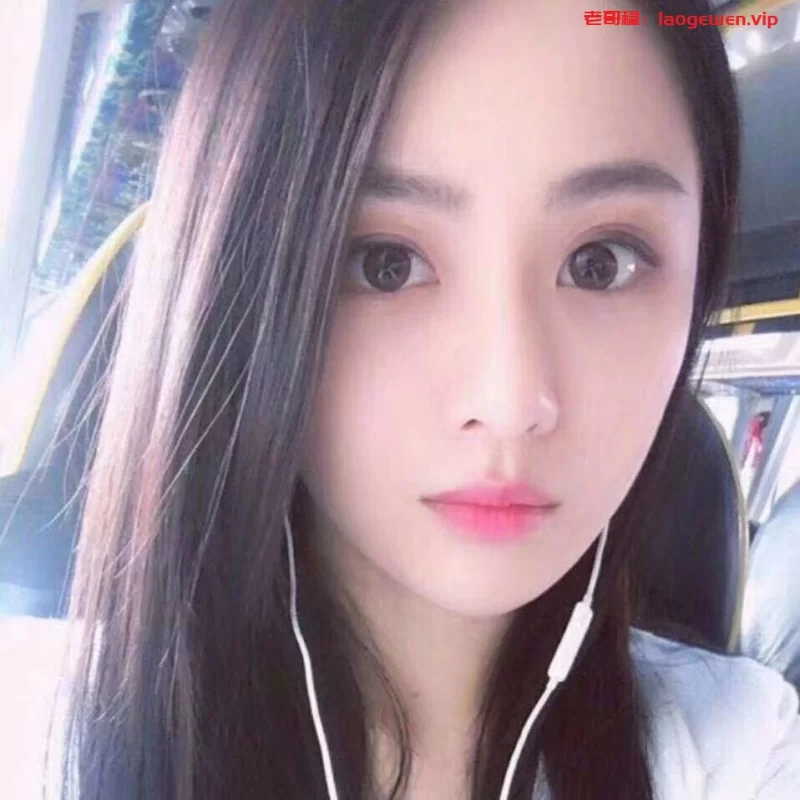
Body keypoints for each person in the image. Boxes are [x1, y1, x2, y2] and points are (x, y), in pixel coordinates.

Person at [1, 0, 798, 798]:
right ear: (237, 298)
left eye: (601, 262)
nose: (511, 401)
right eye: (385, 263)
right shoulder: (29, 732)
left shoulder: (744, 746)